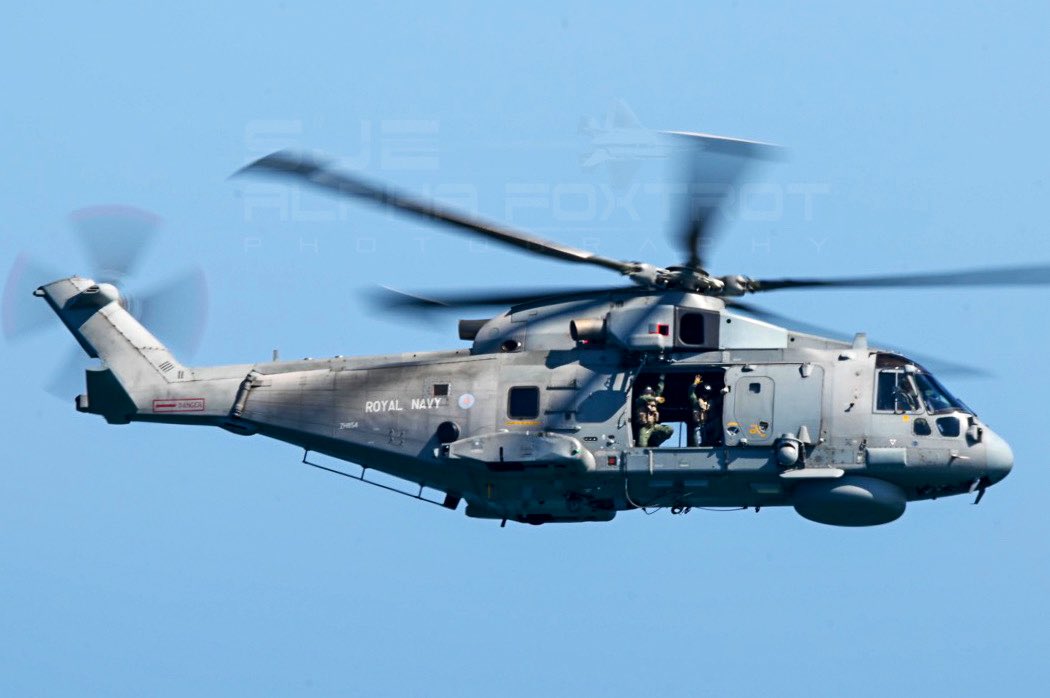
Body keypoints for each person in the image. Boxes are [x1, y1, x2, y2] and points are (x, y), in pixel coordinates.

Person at [635, 374, 673, 447]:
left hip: (653, 426)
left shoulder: (653, 402)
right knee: (642, 445)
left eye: (650, 393)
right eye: (647, 393)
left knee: (669, 430)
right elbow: (644, 398)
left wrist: (661, 380)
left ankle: (655, 443)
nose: (649, 395)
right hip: (644, 427)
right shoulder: (639, 400)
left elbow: (660, 390)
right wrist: (655, 399)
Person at [688, 374, 713, 446]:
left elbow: (719, 400)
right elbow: (690, 393)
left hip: (707, 425)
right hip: (698, 426)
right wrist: (695, 383)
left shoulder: (711, 402)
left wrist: (723, 392)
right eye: (705, 393)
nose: (706, 395)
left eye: (707, 394)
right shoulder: (695, 401)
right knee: (698, 445)